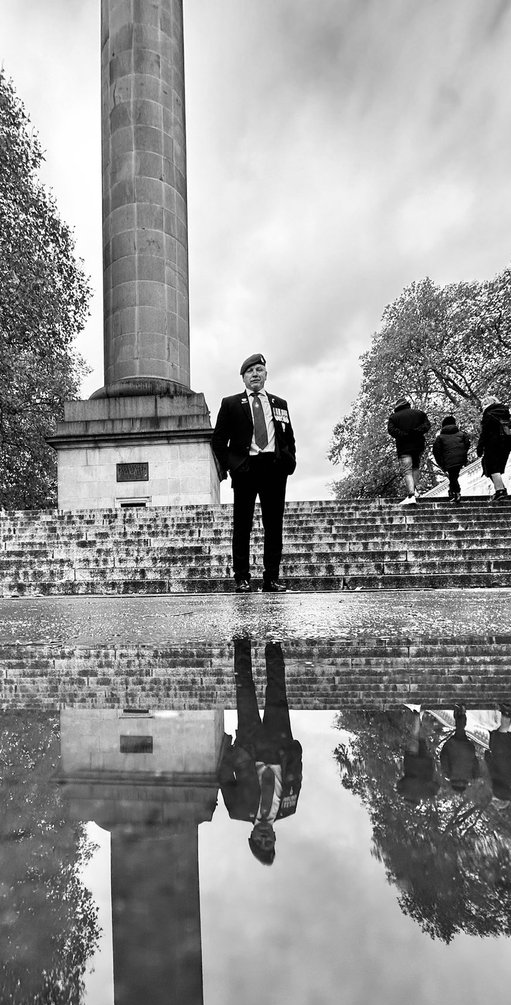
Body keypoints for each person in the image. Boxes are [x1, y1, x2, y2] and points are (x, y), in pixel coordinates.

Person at [211, 353, 296, 592]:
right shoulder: (230, 403)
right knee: (242, 526)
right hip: (246, 468)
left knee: (273, 525)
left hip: (274, 468)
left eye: (259, 370)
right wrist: (233, 465)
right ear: (243, 377)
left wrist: (289, 461)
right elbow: (218, 441)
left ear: (266, 374)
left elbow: (288, 437)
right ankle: (242, 578)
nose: (255, 374)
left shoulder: (280, 404)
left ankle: (271, 578)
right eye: (250, 371)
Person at [218, 639, 302, 864]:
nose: (265, 839)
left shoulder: (237, 811)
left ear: (252, 838)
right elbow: (297, 779)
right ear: (275, 838)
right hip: (278, 744)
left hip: (250, 746)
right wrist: (294, 753)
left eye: (260, 843)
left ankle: (242, 641)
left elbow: (224, 778)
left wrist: (235, 754)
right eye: (269, 843)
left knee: (244, 688)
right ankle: (274, 642)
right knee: (277, 689)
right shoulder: (289, 808)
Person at [387, 399, 430, 505]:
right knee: (415, 467)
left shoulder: (394, 417)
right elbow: (427, 426)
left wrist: (403, 434)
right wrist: (416, 432)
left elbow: (391, 430)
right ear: (407, 405)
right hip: (417, 445)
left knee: (407, 470)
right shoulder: (419, 413)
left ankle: (411, 495)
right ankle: (414, 491)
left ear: (397, 407)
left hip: (404, 446)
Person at [476, 395, 511, 501]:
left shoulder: (488, 414)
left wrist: (480, 447)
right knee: (497, 468)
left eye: (483, 405)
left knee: (491, 467)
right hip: (506, 444)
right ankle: (501, 488)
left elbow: (485, 433)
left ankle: (500, 490)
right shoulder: (504, 413)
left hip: (492, 444)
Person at [431, 415, 470, 504]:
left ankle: (456, 492)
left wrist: (441, 464)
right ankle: (452, 491)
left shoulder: (440, 438)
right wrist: (463, 454)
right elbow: (467, 444)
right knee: (454, 476)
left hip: (448, 460)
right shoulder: (462, 434)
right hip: (460, 458)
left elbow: (436, 451)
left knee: (453, 476)